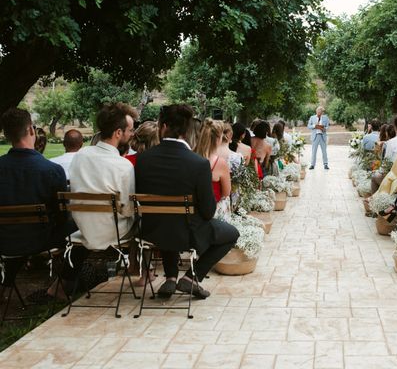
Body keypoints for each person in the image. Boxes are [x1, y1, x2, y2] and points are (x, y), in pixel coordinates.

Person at [135, 104, 239, 299]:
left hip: (152, 231)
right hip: (187, 234)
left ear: (163, 127)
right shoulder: (198, 164)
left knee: (168, 220)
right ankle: (192, 277)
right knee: (231, 233)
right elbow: (208, 212)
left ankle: (171, 278)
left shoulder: (143, 160)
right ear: (187, 131)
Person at [64, 103, 138, 283]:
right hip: (114, 233)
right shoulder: (123, 165)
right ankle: (137, 270)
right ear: (118, 133)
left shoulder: (81, 155)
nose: (131, 134)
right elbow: (128, 210)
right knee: (142, 221)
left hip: (83, 229)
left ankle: (64, 282)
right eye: (128, 131)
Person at [0, 108, 72, 287]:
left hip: (3, 239)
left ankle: (7, 283)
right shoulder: (51, 170)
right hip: (39, 240)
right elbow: (61, 215)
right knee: (77, 222)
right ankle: (63, 282)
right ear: (31, 130)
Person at [195, 118, 232, 204]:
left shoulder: (190, 156)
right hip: (212, 210)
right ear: (218, 139)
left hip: (191, 209)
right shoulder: (220, 163)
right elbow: (226, 192)